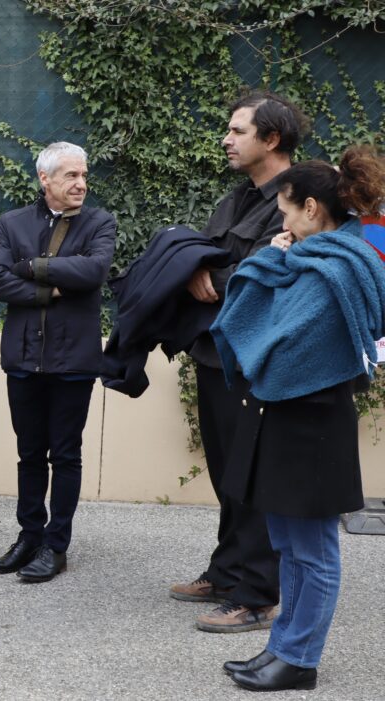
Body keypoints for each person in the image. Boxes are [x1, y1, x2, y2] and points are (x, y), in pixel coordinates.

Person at [210, 147, 385, 692]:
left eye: (285, 212)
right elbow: (246, 319)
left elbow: (274, 347)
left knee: (313, 552)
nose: (281, 225)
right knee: (288, 546)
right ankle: (283, 646)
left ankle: (300, 659)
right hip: (285, 418)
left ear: (311, 208)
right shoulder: (308, 260)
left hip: (312, 426)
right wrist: (271, 259)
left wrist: (268, 264)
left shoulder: (337, 270)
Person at [172, 91, 308, 633]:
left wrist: (216, 278)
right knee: (228, 472)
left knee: (253, 477)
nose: (226, 140)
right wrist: (190, 272)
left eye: (238, 131)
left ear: (271, 139)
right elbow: (206, 257)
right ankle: (227, 571)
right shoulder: (238, 198)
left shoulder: (303, 198)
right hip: (217, 353)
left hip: (260, 361)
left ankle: (255, 595)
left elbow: (278, 271)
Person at [0, 142, 115, 582]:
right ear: (45, 179)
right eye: (71, 176)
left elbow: (94, 272)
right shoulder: (12, 222)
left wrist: (31, 266)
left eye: (83, 175)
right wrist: (55, 285)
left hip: (74, 360)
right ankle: (29, 537)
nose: (81, 184)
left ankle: (56, 545)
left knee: (65, 454)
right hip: (23, 358)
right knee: (29, 453)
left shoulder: (99, 222)